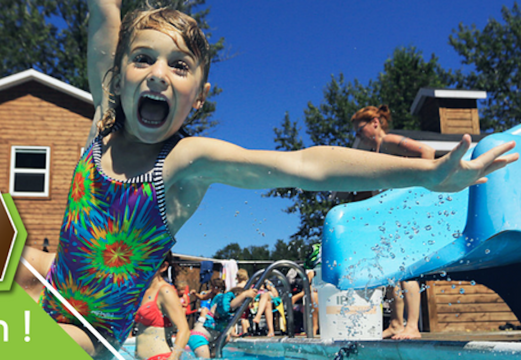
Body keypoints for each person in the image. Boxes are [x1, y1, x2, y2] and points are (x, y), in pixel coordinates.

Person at [36, 0, 518, 357]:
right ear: (117, 79)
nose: (158, 73)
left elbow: (305, 165)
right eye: (143, 58)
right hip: (46, 296)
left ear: (198, 97)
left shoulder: (185, 161)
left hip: (87, 332)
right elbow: (104, 15)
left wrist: (432, 174)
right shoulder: (101, 124)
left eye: (179, 66)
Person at [351, 105, 435, 340]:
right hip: (391, 219)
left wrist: (414, 192)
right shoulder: (376, 152)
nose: (358, 136)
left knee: (407, 273)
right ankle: (397, 323)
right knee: (391, 275)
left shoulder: (389, 142)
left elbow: (427, 152)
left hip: (406, 215)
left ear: (375, 123)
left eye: (360, 131)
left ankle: (413, 326)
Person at [134, 252, 189, 360]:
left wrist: (173, 358)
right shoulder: (143, 291)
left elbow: (184, 330)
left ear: (163, 267)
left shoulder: (165, 291)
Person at [188, 287, 257, 358]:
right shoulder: (222, 305)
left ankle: (213, 353)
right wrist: (244, 295)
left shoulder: (231, 312)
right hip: (199, 337)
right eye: (242, 301)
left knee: (226, 337)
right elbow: (230, 306)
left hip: (210, 340)